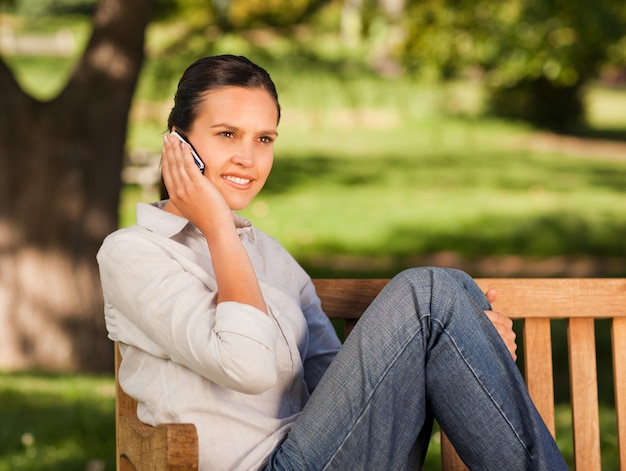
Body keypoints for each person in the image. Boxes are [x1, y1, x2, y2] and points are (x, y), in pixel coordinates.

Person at [97, 54, 568, 470]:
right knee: (427, 293)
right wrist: (219, 228)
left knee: (454, 291)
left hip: (329, 455)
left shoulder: (272, 257)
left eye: (264, 139)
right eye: (227, 134)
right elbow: (247, 366)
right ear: (177, 144)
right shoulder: (134, 253)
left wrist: (472, 347)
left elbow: (349, 392)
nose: (248, 157)